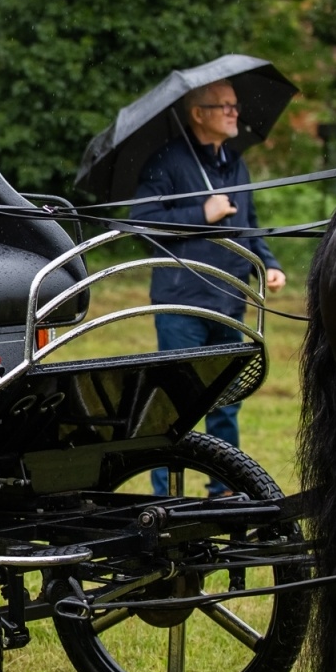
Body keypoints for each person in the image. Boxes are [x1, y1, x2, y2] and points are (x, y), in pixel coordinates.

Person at [131, 79, 285, 497]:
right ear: (198, 114)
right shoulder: (166, 162)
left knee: (225, 399)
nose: (235, 112)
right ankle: (166, 495)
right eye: (225, 106)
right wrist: (202, 211)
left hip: (228, 296)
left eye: (235, 105)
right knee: (176, 403)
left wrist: (267, 264)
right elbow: (141, 222)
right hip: (183, 301)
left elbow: (247, 224)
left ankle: (225, 488)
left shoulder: (235, 163)